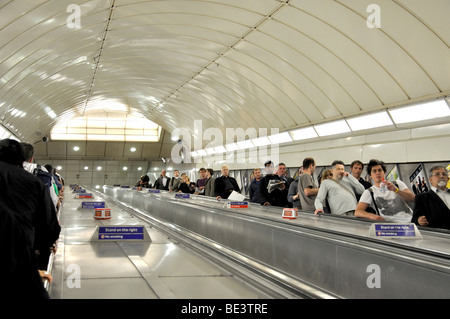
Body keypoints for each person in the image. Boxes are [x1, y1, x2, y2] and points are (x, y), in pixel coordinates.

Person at [0, 139, 60, 299]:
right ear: (27, 160)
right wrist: (41, 253)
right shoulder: (33, 182)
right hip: (16, 259)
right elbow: (48, 226)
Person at [411, 166, 450, 230]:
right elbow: (414, 219)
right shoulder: (422, 198)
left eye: (444, 174)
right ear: (430, 179)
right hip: (442, 236)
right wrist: (419, 220)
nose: (441, 176)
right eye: (437, 174)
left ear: (448, 178)